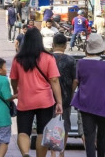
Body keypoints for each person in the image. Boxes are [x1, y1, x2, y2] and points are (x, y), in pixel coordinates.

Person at [10, 26, 63, 157]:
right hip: (44, 100)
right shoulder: (48, 58)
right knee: (42, 132)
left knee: (23, 131)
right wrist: (59, 102)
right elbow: (54, 80)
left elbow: (13, 80)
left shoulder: (18, 59)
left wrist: (16, 90)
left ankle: (26, 153)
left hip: (25, 100)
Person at [71, 33, 105, 157]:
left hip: (85, 104)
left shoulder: (81, 63)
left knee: (89, 137)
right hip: (103, 105)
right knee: (102, 137)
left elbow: (78, 81)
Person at [51, 33, 76, 157]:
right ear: (65, 46)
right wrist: (71, 92)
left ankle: (52, 153)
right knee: (64, 125)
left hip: (48, 98)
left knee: (49, 124)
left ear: (53, 44)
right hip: (66, 98)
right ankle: (61, 152)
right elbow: (75, 80)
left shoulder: (46, 58)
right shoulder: (71, 60)